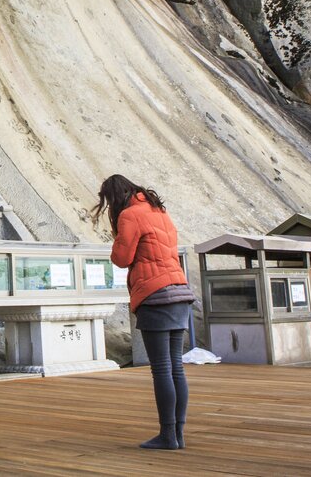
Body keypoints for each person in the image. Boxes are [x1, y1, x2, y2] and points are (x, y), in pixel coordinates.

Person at [94, 174, 196, 451]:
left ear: (115, 197)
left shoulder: (129, 215)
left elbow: (122, 258)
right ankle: (178, 434)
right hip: (179, 292)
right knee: (176, 366)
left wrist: (117, 236)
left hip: (155, 296)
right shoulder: (159, 211)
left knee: (161, 368)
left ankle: (166, 435)